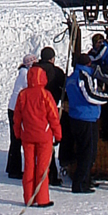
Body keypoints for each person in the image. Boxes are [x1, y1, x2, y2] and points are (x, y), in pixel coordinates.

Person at [12, 61, 62, 206]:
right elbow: (53, 117)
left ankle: (29, 198)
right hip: (44, 137)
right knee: (42, 168)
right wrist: (58, 135)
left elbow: (17, 117)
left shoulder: (23, 95)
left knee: (28, 167)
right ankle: (42, 199)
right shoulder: (46, 95)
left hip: (27, 136)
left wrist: (18, 134)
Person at [63, 51, 106, 192]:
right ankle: (80, 183)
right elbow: (90, 95)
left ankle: (85, 180)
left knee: (84, 150)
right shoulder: (83, 76)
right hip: (86, 117)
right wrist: (106, 97)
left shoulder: (71, 77)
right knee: (88, 152)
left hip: (77, 116)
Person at [38, 45, 68, 186]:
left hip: (35, 110)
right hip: (51, 109)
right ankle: (52, 174)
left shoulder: (34, 70)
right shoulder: (57, 72)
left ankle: (40, 172)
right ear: (52, 59)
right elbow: (64, 88)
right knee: (49, 142)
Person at [5, 51, 37, 179]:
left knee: (15, 139)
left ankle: (12, 167)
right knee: (16, 139)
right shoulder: (25, 74)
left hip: (14, 108)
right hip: (16, 109)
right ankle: (14, 170)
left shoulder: (23, 73)